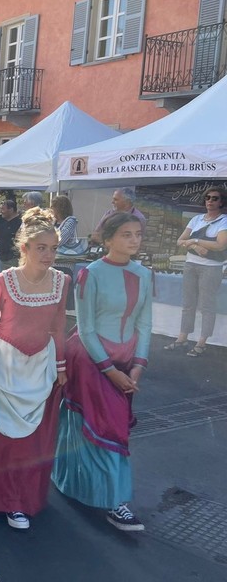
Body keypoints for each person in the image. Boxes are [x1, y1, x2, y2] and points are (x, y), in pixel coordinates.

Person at [0, 208, 70, 530]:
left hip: (40, 368)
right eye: (41, 248)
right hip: (3, 367)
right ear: (24, 248)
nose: (48, 255)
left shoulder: (61, 281)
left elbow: (58, 327)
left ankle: (21, 500)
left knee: (31, 443)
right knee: (0, 441)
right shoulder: (4, 281)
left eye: (53, 248)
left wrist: (61, 366)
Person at [52, 212, 152, 532]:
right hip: (89, 360)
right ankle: (115, 502)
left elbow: (145, 324)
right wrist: (110, 370)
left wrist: (138, 366)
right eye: (126, 234)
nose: (134, 240)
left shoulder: (145, 274)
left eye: (138, 234)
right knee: (105, 428)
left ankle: (72, 481)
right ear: (108, 239)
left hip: (124, 362)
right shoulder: (89, 274)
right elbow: (86, 328)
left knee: (99, 425)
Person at [164, 187, 227, 357]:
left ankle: (202, 342)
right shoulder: (196, 219)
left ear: (221, 202)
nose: (210, 201)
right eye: (208, 197)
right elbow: (180, 240)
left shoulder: (224, 221)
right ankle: (182, 338)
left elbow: (221, 245)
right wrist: (196, 246)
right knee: (188, 304)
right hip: (190, 264)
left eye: (215, 198)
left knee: (207, 305)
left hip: (211, 267)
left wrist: (195, 240)